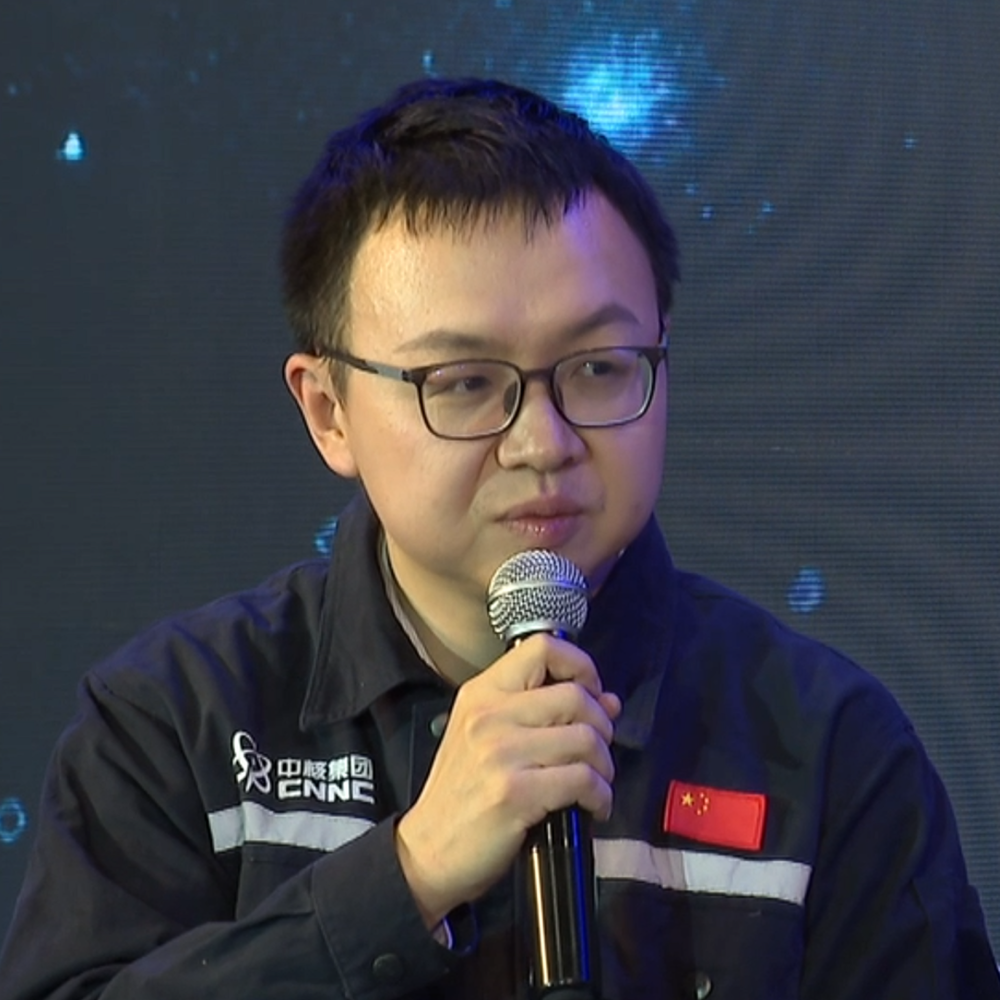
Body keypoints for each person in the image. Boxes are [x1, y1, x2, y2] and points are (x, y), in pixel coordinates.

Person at [0, 77, 996, 1000]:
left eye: (599, 367)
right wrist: (407, 876)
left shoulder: (828, 750)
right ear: (329, 412)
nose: (542, 442)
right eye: (465, 383)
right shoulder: (175, 724)